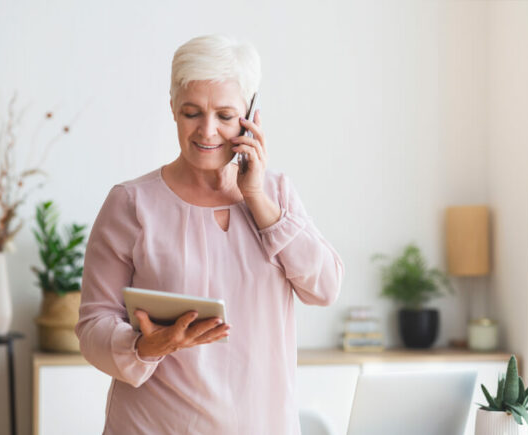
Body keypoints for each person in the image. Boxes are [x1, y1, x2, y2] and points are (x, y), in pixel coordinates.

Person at [76, 34, 344, 434]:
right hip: (153, 424)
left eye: (224, 114)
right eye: (191, 112)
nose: (208, 131)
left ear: (251, 116)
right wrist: (143, 346)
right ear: (171, 109)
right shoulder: (131, 204)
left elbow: (324, 287)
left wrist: (257, 198)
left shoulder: (278, 195)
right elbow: (93, 324)